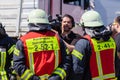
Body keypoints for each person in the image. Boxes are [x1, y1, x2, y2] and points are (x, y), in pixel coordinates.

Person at [13, 9, 71, 80]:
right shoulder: (57, 38)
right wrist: (57, 77)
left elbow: (18, 65)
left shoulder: (23, 41)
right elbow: (67, 61)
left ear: (30, 22)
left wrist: (33, 78)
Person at [70, 10, 117, 80]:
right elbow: (117, 65)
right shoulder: (111, 40)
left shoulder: (83, 43)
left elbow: (77, 70)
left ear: (84, 26)